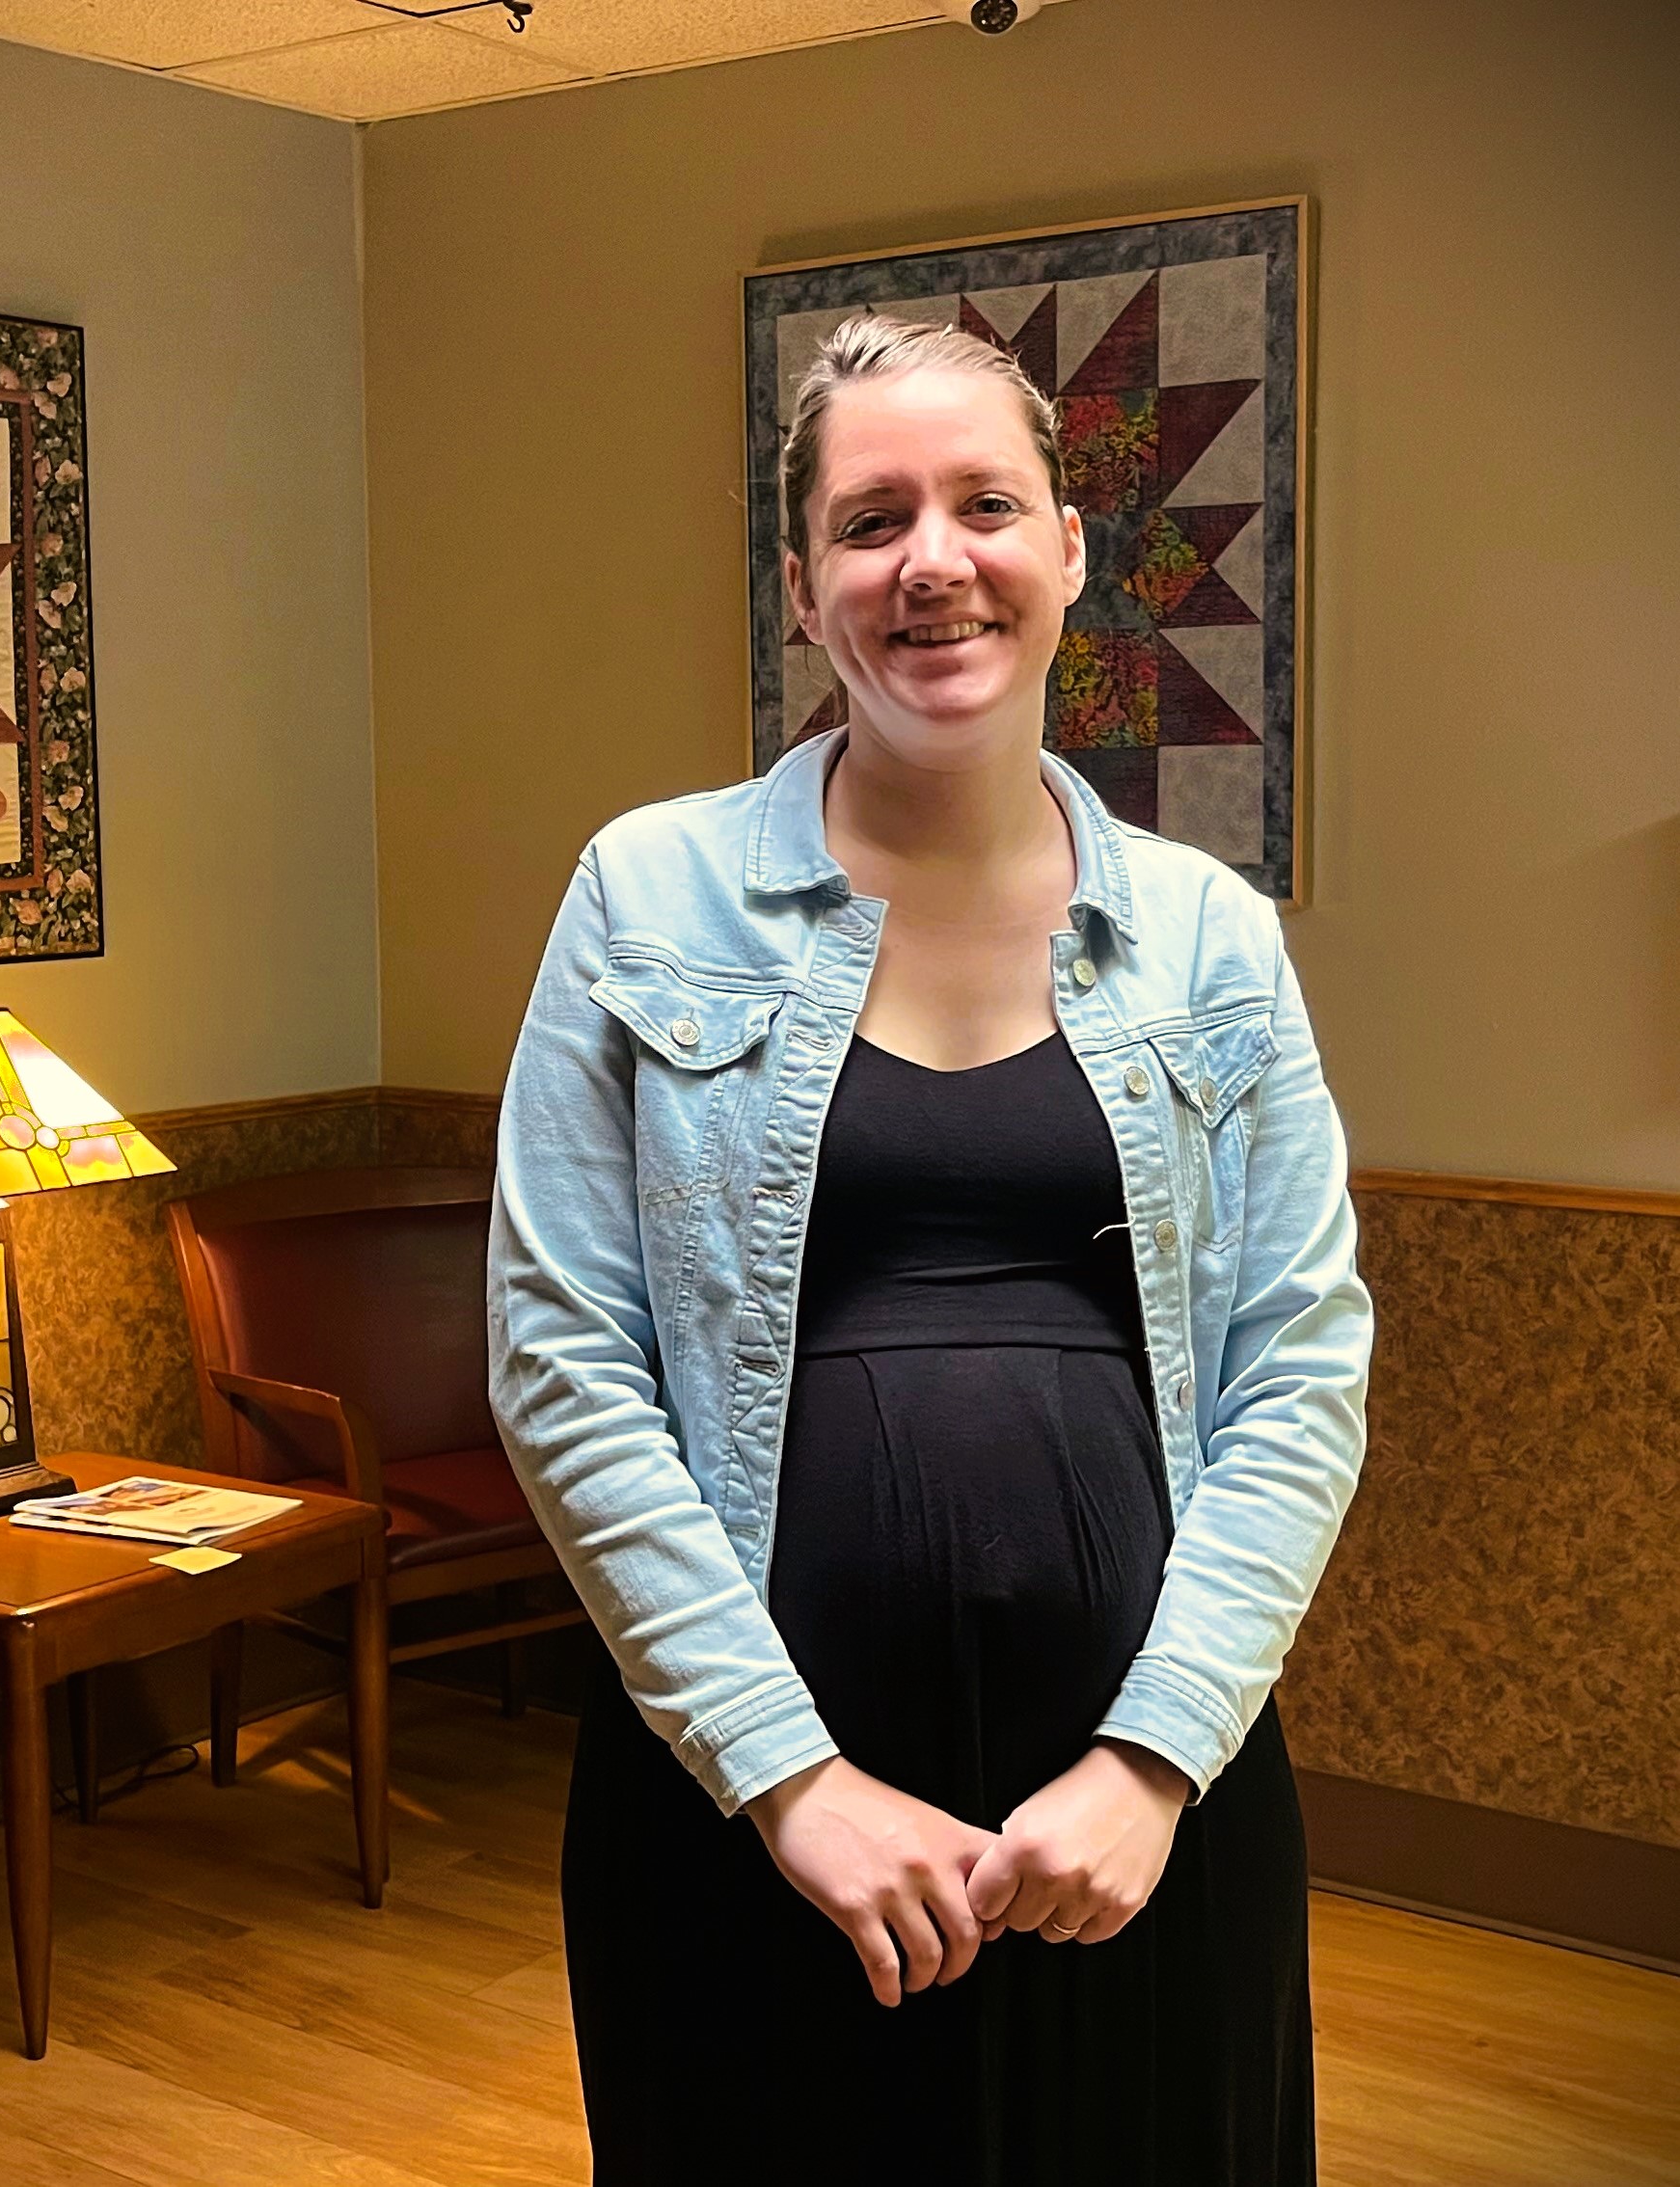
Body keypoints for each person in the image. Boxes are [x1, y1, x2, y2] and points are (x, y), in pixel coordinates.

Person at [487, 316, 1372, 2184]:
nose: (930, 561)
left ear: (1066, 553)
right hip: (749, 1806)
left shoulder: (1210, 932)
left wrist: (1147, 1766)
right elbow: (560, 1354)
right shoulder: (642, 892)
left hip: (1140, 1806)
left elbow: (1299, 1367)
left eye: (984, 503)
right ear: (804, 585)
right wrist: (785, 1781)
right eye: (868, 518)